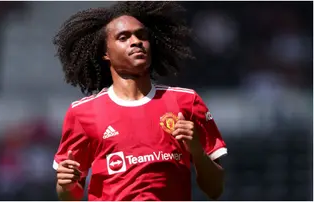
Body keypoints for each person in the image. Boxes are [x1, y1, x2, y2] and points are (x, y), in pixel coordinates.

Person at [52, 1, 227, 201]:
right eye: (123, 37)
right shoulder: (82, 113)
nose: (136, 42)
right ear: (105, 53)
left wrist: (196, 149)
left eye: (142, 36)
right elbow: (69, 197)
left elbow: (215, 190)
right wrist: (66, 184)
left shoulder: (186, 101)